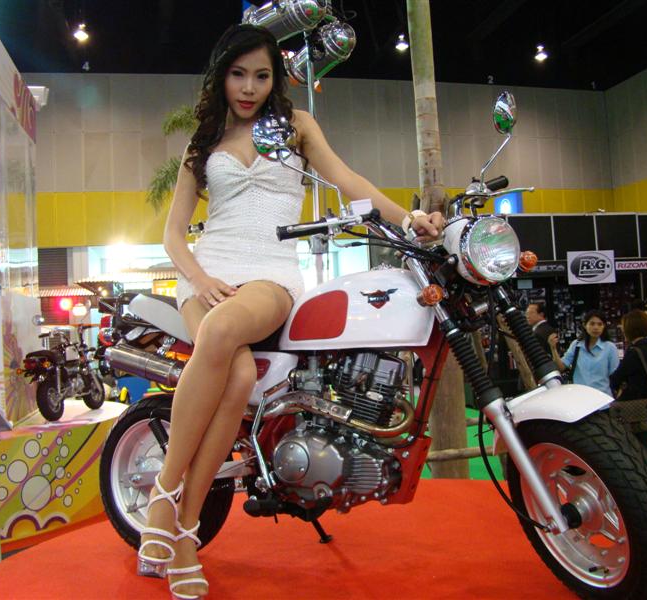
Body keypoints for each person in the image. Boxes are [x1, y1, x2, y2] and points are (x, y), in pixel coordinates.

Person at [137, 24, 445, 600]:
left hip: (271, 276)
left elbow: (347, 180)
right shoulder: (203, 142)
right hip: (209, 274)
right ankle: (183, 532)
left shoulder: (296, 126)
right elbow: (174, 234)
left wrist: (409, 220)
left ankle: (164, 494)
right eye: (238, 74)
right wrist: (199, 279)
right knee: (237, 375)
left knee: (224, 333)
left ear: (275, 79)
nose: (248, 87)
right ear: (221, 75)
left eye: (261, 76)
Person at [610, 309, 647, 448]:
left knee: (633, 445)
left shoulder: (634, 352)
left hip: (633, 404)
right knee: (643, 444)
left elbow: (617, 377)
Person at [548, 309, 618, 396]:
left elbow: (615, 375)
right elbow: (561, 367)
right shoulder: (576, 345)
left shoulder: (610, 347)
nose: (596, 327)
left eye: (600, 324)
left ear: (604, 326)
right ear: (585, 325)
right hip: (580, 397)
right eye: (592, 324)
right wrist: (553, 349)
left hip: (602, 397)